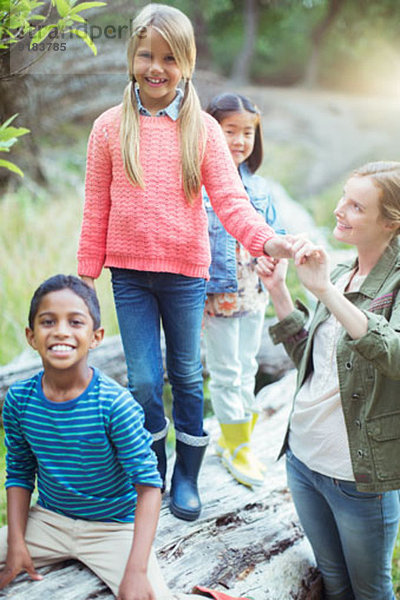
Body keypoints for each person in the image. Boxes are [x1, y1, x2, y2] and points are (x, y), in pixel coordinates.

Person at [77, 3, 291, 521]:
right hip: (129, 275)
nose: (157, 67)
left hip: (184, 274)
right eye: (147, 55)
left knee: (186, 375)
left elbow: (232, 201)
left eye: (169, 58)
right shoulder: (109, 127)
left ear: (187, 63)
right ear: (132, 57)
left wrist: (268, 242)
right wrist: (85, 279)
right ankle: (152, 472)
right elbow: (95, 204)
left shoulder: (203, 130)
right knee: (145, 381)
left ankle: (187, 477)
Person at [0, 274, 248, 600]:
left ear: (96, 336)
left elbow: (149, 488)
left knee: (150, 596)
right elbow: (19, 472)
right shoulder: (20, 400)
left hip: (114, 530)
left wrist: (136, 570)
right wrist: (17, 543)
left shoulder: (115, 404)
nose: (61, 331)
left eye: (75, 322)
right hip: (49, 522)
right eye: (48, 321)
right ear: (32, 336)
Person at [257, 161, 400, 599]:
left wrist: (324, 292)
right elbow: (311, 362)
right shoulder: (340, 272)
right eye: (343, 197)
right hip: (303, 461)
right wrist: (280, 292)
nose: (340, 210)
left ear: (390, 223)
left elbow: (393, 354)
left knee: (370, 591)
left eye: (356, 206)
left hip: (356, 479)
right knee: (333, 585)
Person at [203, 93, 285, 488]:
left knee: (248, 365)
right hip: (217, 295)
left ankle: (241, 440)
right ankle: (234, 444)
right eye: (229, 130)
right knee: (225, 372)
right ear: (207, 131)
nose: (238, 140)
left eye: (247, 132)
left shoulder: (262, 187)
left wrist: (276, 257)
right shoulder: (197, 185)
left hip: (254, 292)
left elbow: (275, 233)